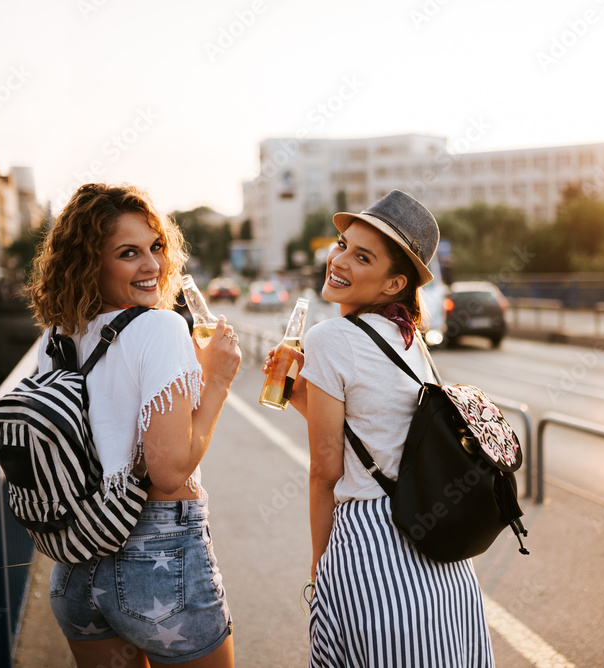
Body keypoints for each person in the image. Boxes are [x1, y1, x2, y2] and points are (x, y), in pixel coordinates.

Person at [262, 190, 495, 666]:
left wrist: (319, 564)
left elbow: (325, 470)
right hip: (439, 555)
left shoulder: (331, 337)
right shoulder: (411, 338)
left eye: (361, 256)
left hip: (372, 548)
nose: (339, 260)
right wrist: (301, 392)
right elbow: (372, 434)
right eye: (343, 244)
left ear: (394, 283)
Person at [27, 183, 240, 668]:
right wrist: (218, 382)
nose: (153, 266)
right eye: (129, 253)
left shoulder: (56, 338)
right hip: (158, 559)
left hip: (76, 563)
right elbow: (169, 471)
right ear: (92, 264)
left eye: (157, 247)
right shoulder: (160, 327)